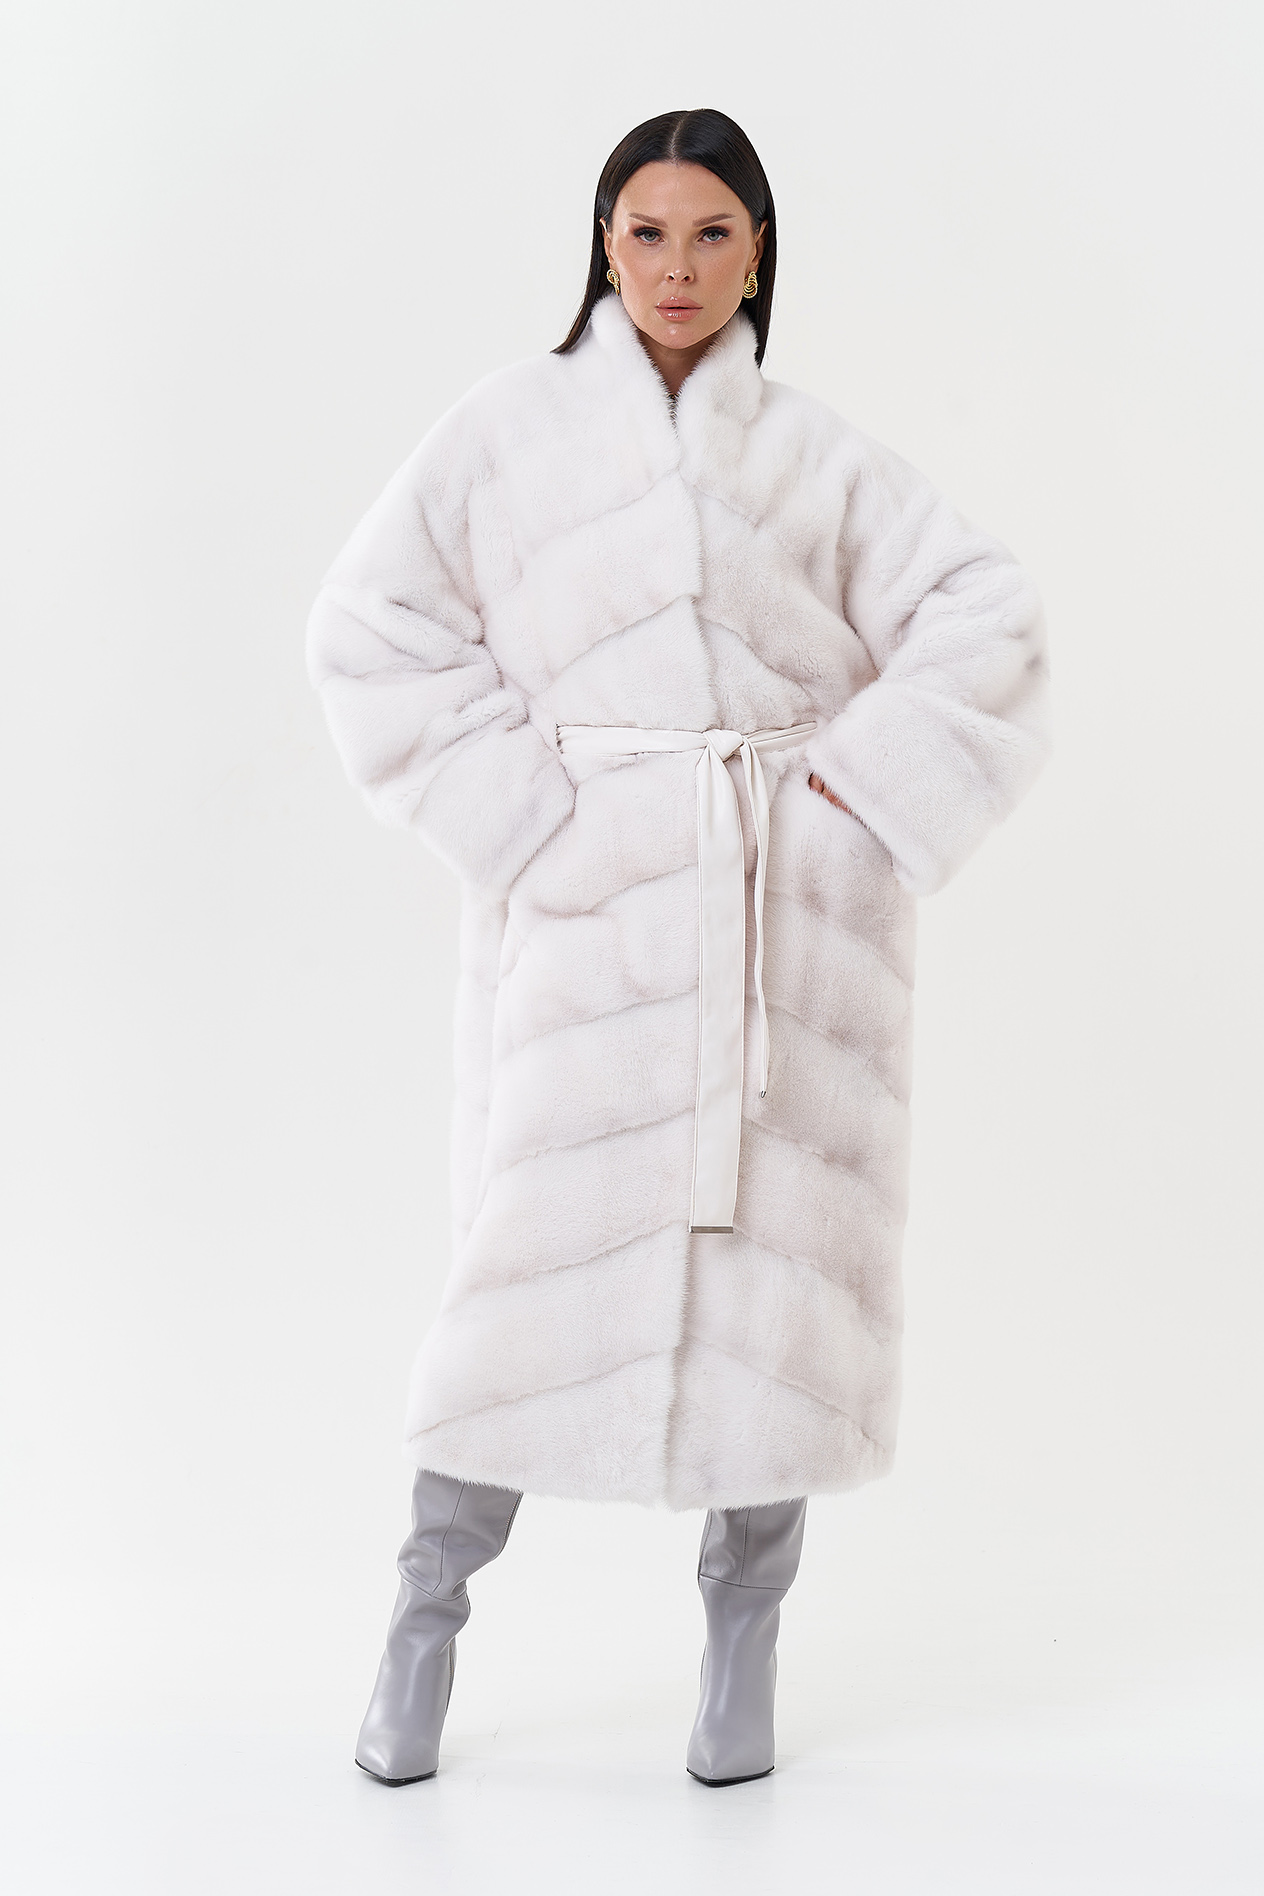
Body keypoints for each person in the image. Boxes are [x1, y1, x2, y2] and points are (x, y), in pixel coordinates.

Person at [306, 107, 1050, 1788]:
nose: (677, 268)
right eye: (646, 232)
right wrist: (527, 819)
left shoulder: (819, 457)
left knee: (774, 1294)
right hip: (585, 931)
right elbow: (369, 627)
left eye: (714, 234)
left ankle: (743, 1647)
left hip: (784, 936)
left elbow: (988, 616)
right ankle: (423, 1626)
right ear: (603, 242)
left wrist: (850, 807)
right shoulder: (502, 435)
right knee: (520, 1279)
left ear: (759, 251)